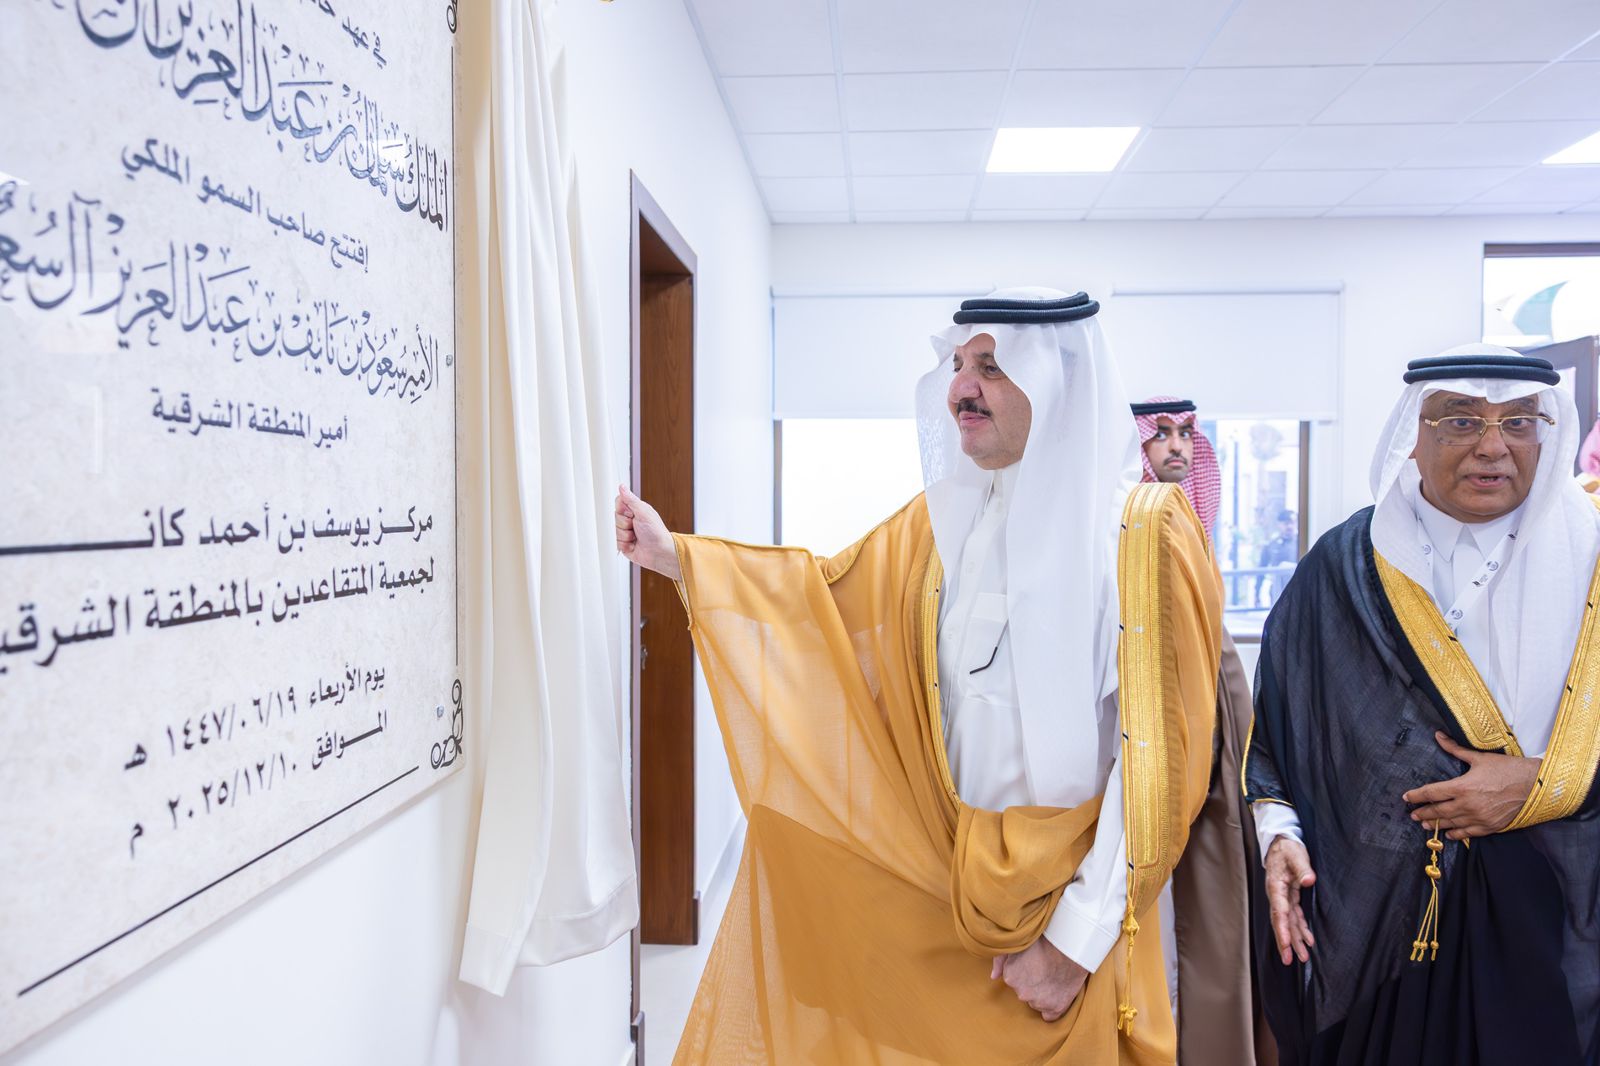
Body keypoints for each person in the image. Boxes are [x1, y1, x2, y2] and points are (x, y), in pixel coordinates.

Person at [617, 288, 1222, 1063]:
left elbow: (1159, 768)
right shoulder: (944, 523)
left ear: (1057, 381)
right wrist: (677, 557)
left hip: (1063, 935)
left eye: (991, 367)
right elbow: (825, 600)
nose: (961, 388)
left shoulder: (1141, 537)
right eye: (959, 364)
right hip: (947, 901)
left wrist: (1074, 945)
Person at [1244, 345, 1600, 1065]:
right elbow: (1278, 732)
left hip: (1560, 913)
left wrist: (1546, 783)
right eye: (1461, 421)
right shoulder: (1346, 564)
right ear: (1414, 432)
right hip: (1371, 915)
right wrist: (1277, 836)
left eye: (1519, 423)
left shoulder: (1591, 559)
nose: (1492, 447)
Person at [1132, 397, 1276, 1066]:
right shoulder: (1130, 531)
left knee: (1209, 916)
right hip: (1147, 758)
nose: (1178, 446)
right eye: (1159, 434)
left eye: (1187, 433)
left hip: (1210, 752)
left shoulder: (1191, 526)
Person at [1256, 510, 1299, 607]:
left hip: (1298, 589)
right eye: (1286, 523)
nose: (1289, 526)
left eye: (1292, 522)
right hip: (1277, 590)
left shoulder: (1302, 543)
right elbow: (1261, 569)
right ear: (1279, 524)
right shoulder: (1271, 545)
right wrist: (1257, 594)